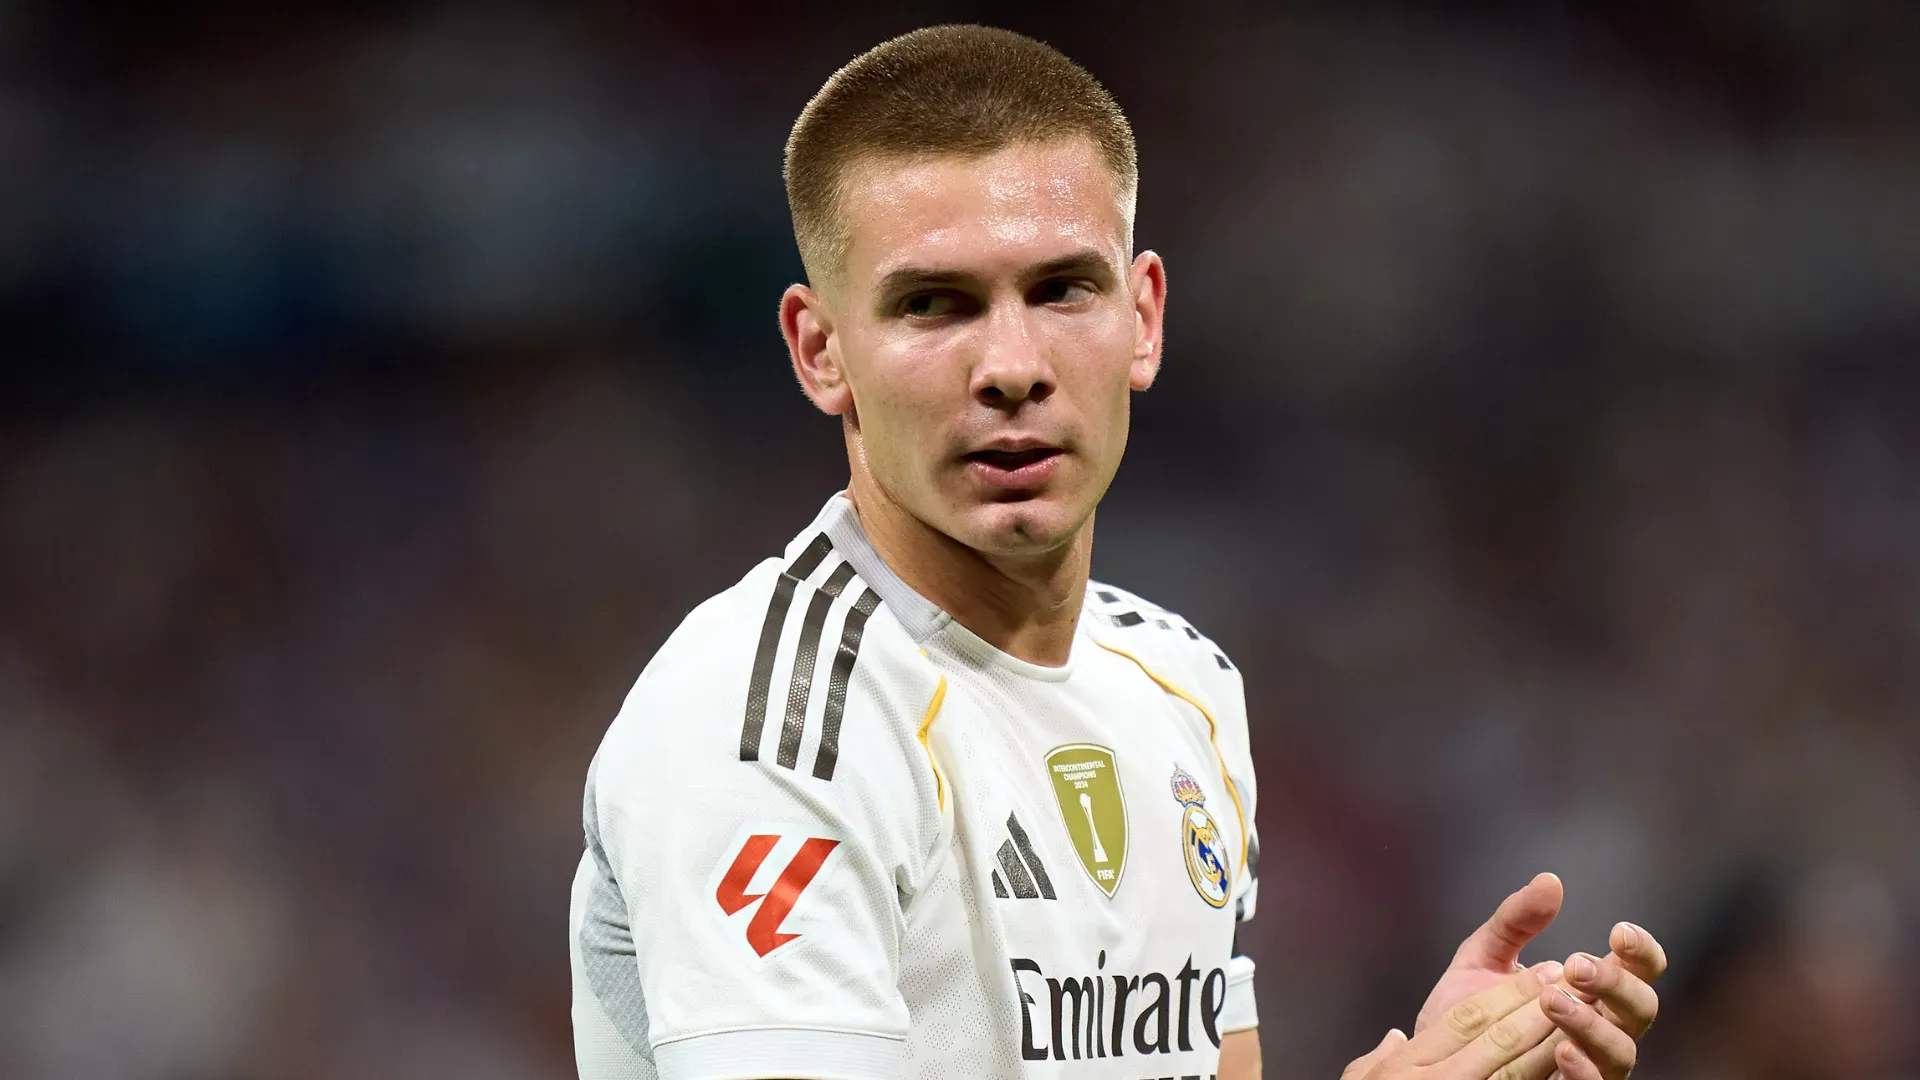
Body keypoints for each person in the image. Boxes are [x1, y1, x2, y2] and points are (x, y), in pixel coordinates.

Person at [568, 25, 1665, 1080]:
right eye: (934, 304)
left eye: (1061, 290)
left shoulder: (1183, 684)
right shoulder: (770, 727)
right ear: (821, 351)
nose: (1011, 366)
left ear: (1143, 318)